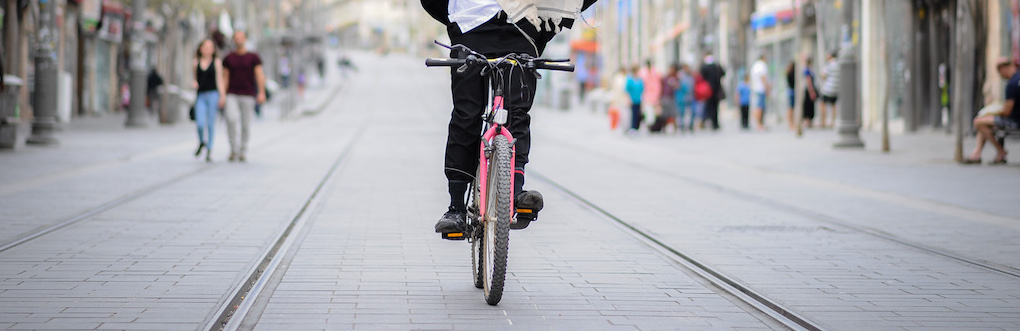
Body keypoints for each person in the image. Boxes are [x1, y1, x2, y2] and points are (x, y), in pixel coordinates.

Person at [422, 0, 598, 233]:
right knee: (466, 114)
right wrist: (454, 22)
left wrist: (544, 30)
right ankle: (456, 207)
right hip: (470, 25)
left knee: (518, 113)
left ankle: (514, 190)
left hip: (523, 28)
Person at [221, 31, 267, 163]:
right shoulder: (229, 57)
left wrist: (261, 92)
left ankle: (243, 150)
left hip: (248, 94)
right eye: (236, 38)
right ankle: (233, 148)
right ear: (233, 40)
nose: (238, 40)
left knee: (246, 124)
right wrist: (223, 95)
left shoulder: (253, 57)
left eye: (241, 38)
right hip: (232, 94)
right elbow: (225, 77)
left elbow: (259, 75)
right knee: (231, 118)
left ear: (245, 39)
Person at [964, 58, 1019, 164]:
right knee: (984, 122)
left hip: (1015, 121)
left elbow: (1007, 111)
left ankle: (1000, 151)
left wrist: (992, 112)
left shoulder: (1011, 85)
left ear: (1003, 68)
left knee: (978, 121)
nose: (1000, 75)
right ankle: (977, 153)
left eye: (999, 72)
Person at [192, 39, 226, 162]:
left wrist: (222, 96)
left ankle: (209, 150)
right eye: (205, 47)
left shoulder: (216, 62)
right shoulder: (196, 62)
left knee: (211, 124)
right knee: (200, 123)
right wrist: (194, 83)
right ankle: (202, 141)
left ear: (213, 50)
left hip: (213, 95)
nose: (207, 49)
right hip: (201, 95)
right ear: (200, 48)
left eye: (210, 47)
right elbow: (194, 78)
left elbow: (220, 80)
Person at [700, 53, 726, 130]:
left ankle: (709, 121)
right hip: (716, 88)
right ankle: (715, 122)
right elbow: (723, 73)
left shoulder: (704, 66)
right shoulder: (716, 65)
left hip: (708, 89)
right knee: (715, 106)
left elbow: (702, 76)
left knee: (709, 106)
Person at [750, 54, 770, 131]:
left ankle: (759, 123)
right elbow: (763, 77)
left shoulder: (755, 65)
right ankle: (759, 124)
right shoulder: (762, 65)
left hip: (756, 88)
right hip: (761, 89)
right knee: (760, 106)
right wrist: (767, 88)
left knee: (758, 106)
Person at [819, 51, 840, 128]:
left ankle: (823, 121)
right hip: (836, 88)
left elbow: (823, 75)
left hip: (828, 89)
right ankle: (832, 122)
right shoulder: (839, 64)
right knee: (833, 105)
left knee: (822, 104)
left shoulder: (829, 64)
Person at [661, 64, 681, 133]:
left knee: (673, 113)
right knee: (665, 114)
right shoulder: (665, 78)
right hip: (665, 97)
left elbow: (679, 86)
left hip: (672, 97)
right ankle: (664, 127)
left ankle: (674, 128)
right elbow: (661, 87)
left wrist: (675, 84)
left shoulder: (676, 78)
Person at [676, 64, 695, 133]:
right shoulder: (680, 76)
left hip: (690, 96)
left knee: (692, 112)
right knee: (681, 112)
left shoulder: (691, 76)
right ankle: (681, 125)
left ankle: (690, 125)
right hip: (682, 97)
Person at [626, 66, 645, 134]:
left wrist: (643, 99)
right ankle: (632, 127)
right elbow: (627, 90)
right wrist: (629, 99)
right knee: (633, 114)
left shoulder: (640, 80)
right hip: (632, 100)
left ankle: (637, 127)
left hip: (639, 100)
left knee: (639, 114)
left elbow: (642, 90)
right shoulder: (630, 80)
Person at [803, 57, 818, 128]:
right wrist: (811, 92)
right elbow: (809, 82)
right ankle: (807, 121)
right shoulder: (807, 70)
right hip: (809, 90)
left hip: (810, 89)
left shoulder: (810, 70)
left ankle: (809, 121)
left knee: (810, 106)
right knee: (808, 106)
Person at [785, 62, 796, 130]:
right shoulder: (793, 74)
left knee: (790, 108)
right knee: (791, 108)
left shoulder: (788, 73)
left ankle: (791, 123)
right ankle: (791, 123)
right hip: (792, 91)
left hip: (789, 91)